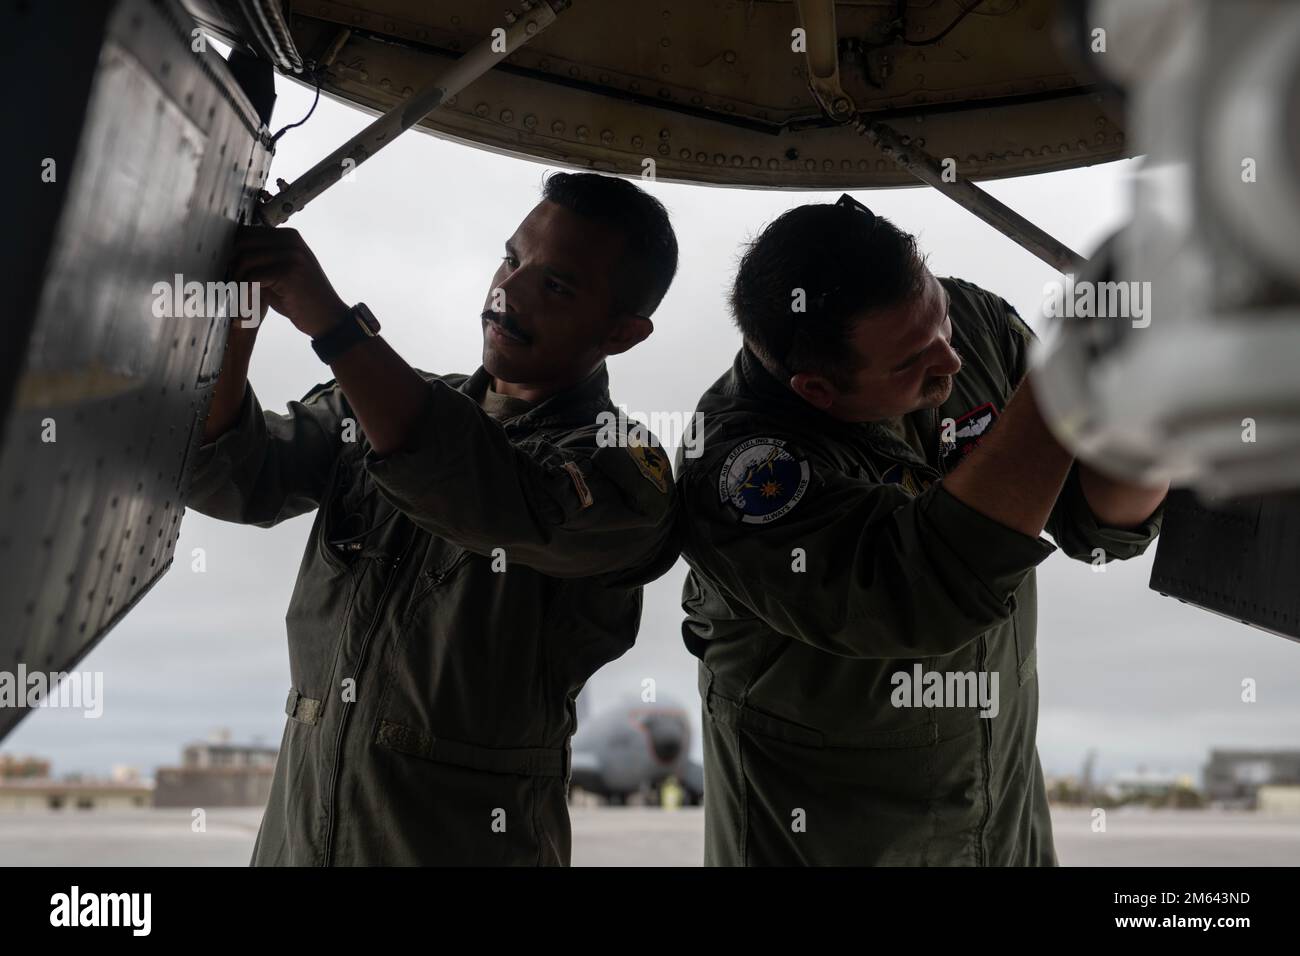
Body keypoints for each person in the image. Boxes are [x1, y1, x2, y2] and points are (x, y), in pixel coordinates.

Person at [186, 172, 680, 865]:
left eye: (557, 286)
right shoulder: (377, 405)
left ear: (623, 333)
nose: (508, 292)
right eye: (511, 259)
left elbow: (490, 497)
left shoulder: (623, 472)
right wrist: (239, 319)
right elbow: (228, 478)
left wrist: (334, 325)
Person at [676, 195, 1168, 865]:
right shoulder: (742, 471)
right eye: (913, 363)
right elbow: (922, 591)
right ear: (818, 389)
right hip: (837, 840)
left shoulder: (970, 325)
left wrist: (1156, 390)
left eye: (938, 313)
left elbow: (1099, 521)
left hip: (999, 823)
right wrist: (1072, 366)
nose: (952, 360)